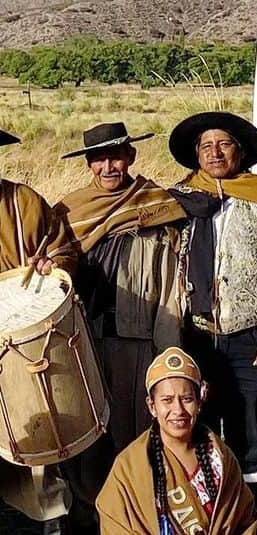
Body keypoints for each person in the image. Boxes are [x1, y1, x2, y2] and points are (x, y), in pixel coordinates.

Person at [168, 111, 257, 535]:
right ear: (197, 155)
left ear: (239, 153)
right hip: (197, 336)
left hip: (250, 335)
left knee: (250, 435)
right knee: (199, 428)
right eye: (207, 147)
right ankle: (206, 531)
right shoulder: (181, 203)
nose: (216, 153)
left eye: (224, 145)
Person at [92, 347, 257, 535]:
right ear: (151, 406)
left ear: (200, 400)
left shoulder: (221, 459)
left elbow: (243, 528)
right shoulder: (130, 465)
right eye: (167, 400)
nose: (178, 410)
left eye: (187, 399)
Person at [56, 122, 187, 451]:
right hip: (82, 337)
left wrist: (168, 349)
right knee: (83, 427)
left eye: (115, 157)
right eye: (99, 160)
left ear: (130, 156)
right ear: (89, 164)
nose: (108, 167)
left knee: (135, 430)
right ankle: (87, 501)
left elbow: (170, 287)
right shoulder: (70, 213)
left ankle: (135, 496)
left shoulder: (155, 206)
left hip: (136, 338)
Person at [0, 126, 88, 535]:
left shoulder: (24, 202)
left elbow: (63, 251)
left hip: (24, 344)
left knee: (40, 453)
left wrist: (53, 265)